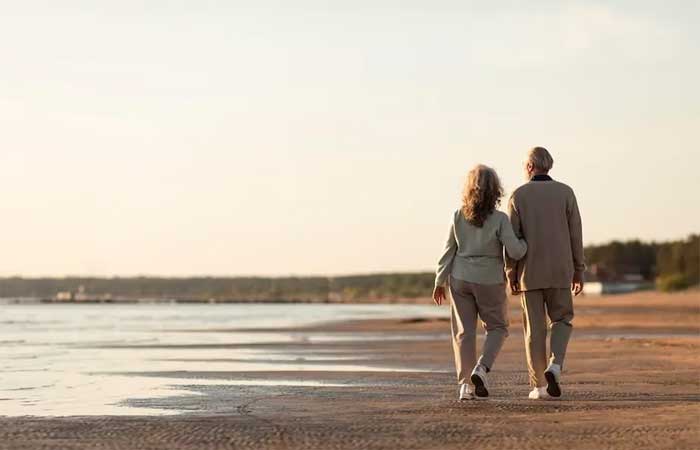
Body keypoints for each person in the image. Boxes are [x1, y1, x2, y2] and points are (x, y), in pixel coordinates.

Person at [433, 164, 527, 400]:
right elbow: (515, 252)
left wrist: (439, 281)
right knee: (497, 328)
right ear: (496, 190)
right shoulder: (499, 219)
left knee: (464, 333)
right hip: (489, 280)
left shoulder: (457, 216)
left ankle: (465, 386)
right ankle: (481, 368)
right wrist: (525, 242)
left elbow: (448, 251)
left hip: (460, 278)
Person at [505, 147, 585, 400]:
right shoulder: (566, 193)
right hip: (561, 270)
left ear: (529, 167)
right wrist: (578, 269)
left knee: (534, 330)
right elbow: (576, 234)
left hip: (530, 273)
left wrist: (511, 273)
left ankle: (539, 386)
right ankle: (556, 365)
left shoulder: (518, 196)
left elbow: (512, 240)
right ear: (548, 165)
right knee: (562, 320)